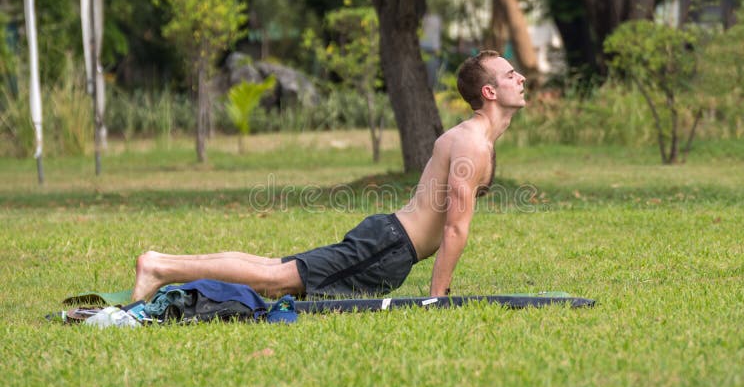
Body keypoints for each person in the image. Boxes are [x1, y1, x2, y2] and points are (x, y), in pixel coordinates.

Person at [132, 50, 526, 301]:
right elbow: (455, 229)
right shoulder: (472, 143)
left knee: (274, 268)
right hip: (387, 248)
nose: (521, 78)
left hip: (387, 242)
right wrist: (437, 296)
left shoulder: (474, 139)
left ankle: (163, 263)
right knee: (276, 280)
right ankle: (160, 268)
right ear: (489, 92)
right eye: (510, 75)